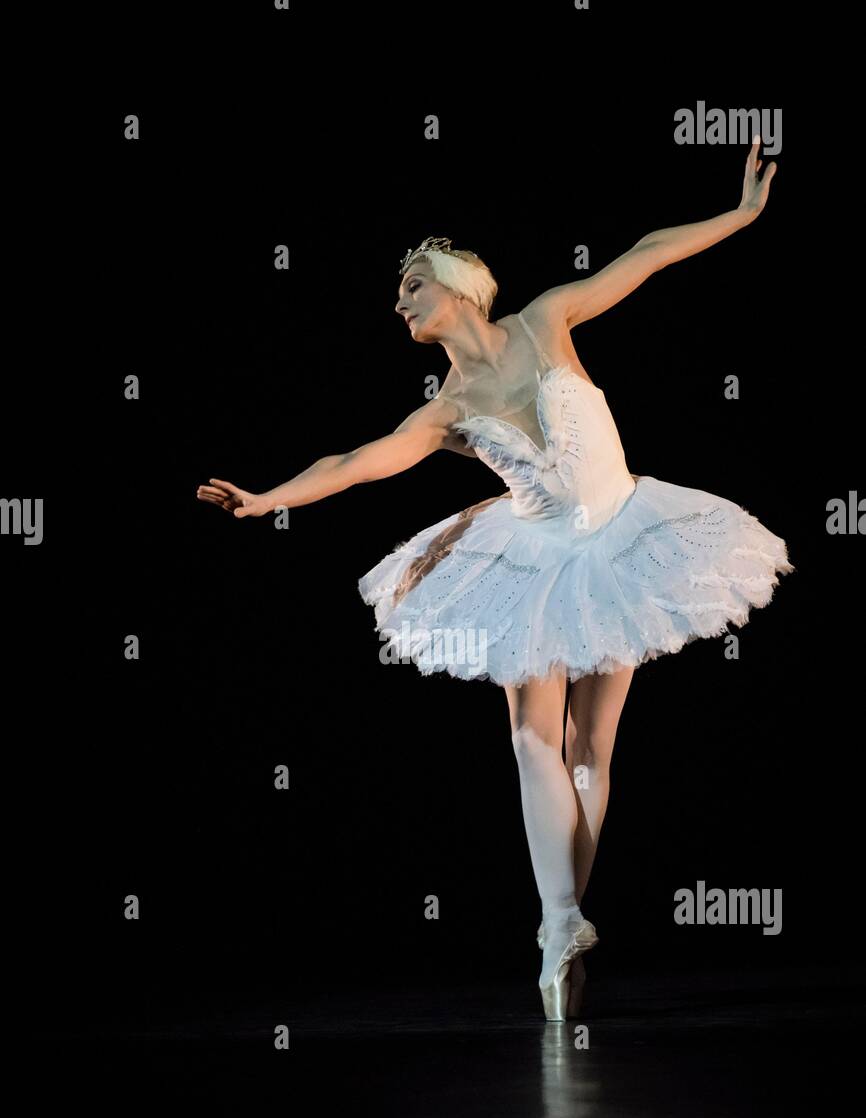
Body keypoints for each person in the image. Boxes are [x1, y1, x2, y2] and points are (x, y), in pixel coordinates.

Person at [197, 138, 791, 1022]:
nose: (399, 301)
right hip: (535, 558)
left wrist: (737, 216)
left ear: (456, 284)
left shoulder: (547, 319)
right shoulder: (442, 410)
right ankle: (558, 923)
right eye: (399, 292)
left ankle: (561, 932)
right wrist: (267, 497)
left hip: (623, 537)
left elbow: (645, 255)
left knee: (594, 747)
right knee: (528, 738)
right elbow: (358, 460)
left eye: (412, 284)